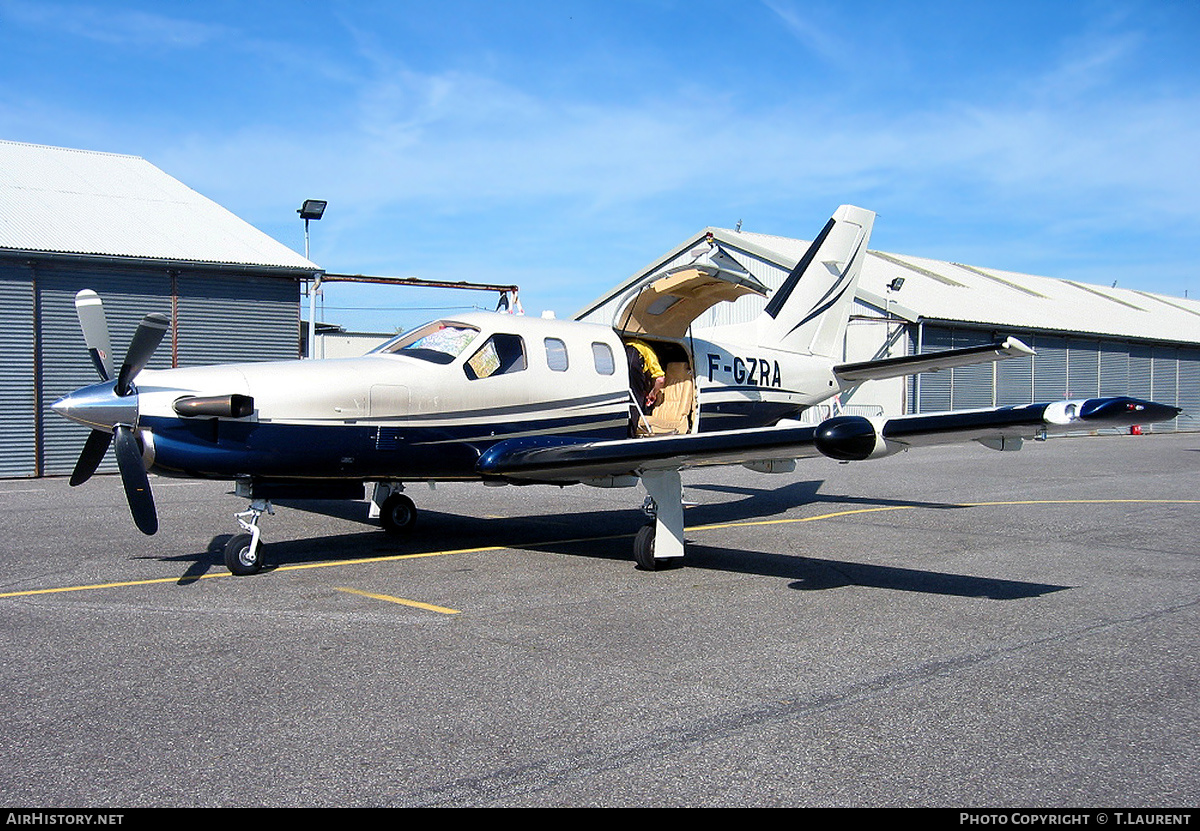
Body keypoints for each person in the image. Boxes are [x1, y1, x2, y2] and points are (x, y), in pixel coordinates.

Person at [625, 339, 665, 412]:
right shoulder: (650, 352)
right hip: (634, 357)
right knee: (636, 396)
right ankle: (635, 420)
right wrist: (653, 393)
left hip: (622, 352)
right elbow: (660, 380)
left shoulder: (628, 340)